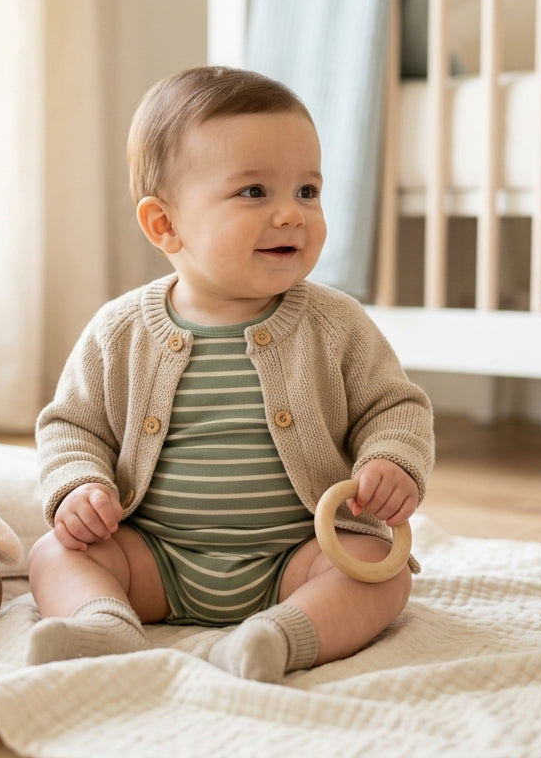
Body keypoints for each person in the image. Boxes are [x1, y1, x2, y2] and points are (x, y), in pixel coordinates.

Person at [25, 66, 434, 682]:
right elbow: (71, 425)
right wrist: (80, 487)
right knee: (56, 553)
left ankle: (278, 637)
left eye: (307, 191)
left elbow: (393, 407)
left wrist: (393, 462)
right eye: (254, 193)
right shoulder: (119, 331)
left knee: (380, 571)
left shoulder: (337, 324)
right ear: (165, 224)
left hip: (299, 558)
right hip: (153, 559)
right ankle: (103, 624)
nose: (292, 215)